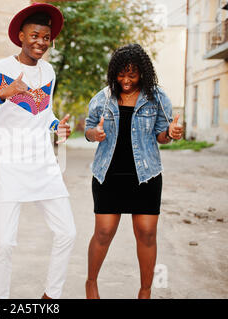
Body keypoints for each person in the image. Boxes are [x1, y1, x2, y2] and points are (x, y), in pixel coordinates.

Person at [0, 3, 76, 299]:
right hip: (10, 167)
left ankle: (50, 296)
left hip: (44, 166)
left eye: (46, 38)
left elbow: (44, 113)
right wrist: (1, 95)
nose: (41, 42)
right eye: (35, 35)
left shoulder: (48, 70)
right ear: (21, 36)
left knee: (67, 233)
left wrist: (58, 127)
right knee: (4, 244)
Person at [84, 43, 183, 299]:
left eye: (132, 75)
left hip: (146, 175)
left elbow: (162, 135)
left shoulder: (157, 98)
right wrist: (94, 133)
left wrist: (170, 134)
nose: (126, 80)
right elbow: (88, 129)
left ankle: (145, 290)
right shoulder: (103, 97)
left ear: (143, 73)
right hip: (108, 174)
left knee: (147, 234)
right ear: (114, 72)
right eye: (121, 74)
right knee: (103, 232)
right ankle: (91, 283)